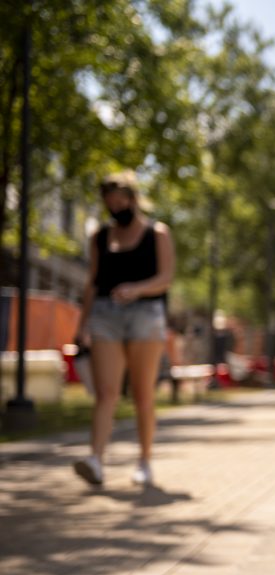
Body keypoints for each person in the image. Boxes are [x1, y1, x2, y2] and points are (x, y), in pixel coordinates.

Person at [73, 171, 175, 487]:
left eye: (121, 200)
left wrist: (137, 289)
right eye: (110, 202)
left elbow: (166, 277)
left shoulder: (157, 233)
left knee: (143, 395)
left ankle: (144, 461)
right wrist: (82, 324)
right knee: (106, 393)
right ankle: (96, 460)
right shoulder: (100, 238)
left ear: (133, 199)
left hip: (146, 315)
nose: (116, 206)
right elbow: (92, 282)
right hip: (106, 315)